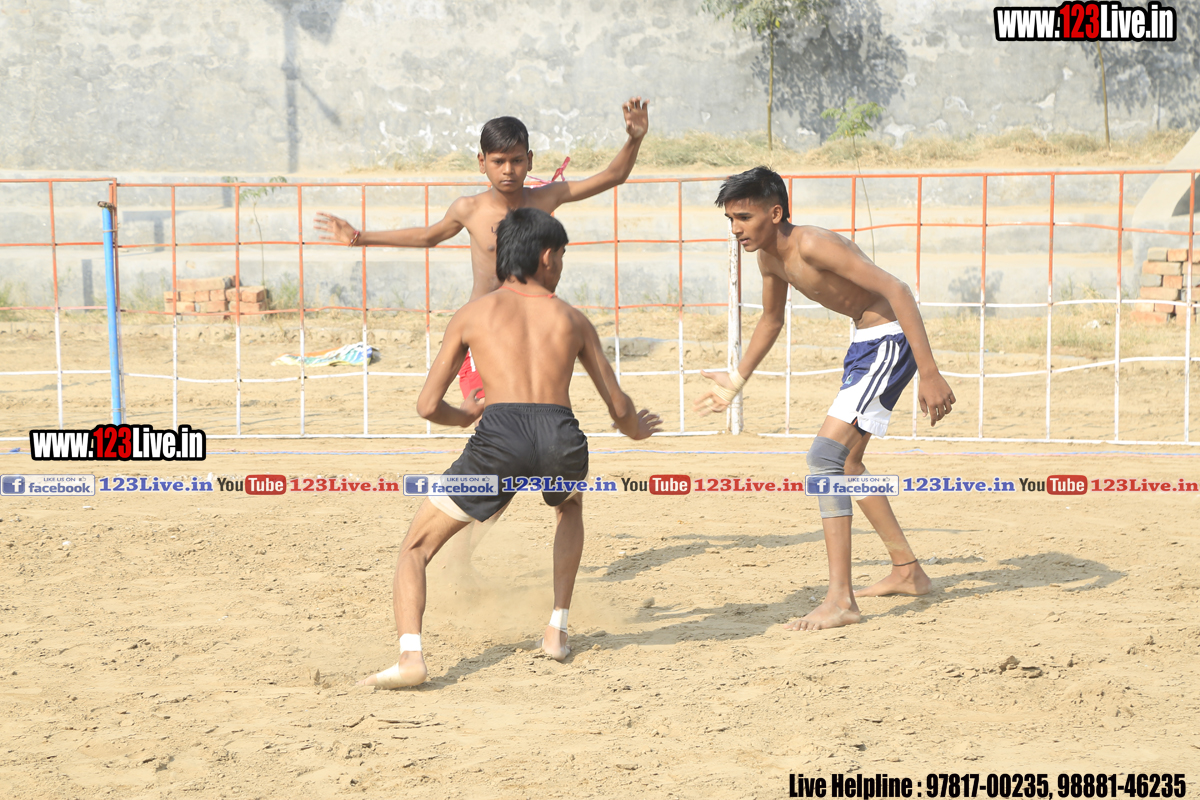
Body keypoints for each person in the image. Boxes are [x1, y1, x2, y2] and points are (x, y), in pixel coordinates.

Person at [359, 208, 661, 688]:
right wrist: (635, 430)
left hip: (499, 437)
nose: (560, 266)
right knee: (568, 507)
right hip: (560, 435)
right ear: (548, 257)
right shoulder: (573, 319)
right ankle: (557, 630)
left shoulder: (473, 315)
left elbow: (427, 405)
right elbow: (619, 407)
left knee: (415, 549)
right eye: (562, 257)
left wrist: (464, 415)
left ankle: (411, 657)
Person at [696, 166, 956, 631]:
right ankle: (907, 571)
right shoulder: (768, 259)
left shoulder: (813, 244)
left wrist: (930, 372)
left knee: (824, 459)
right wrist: (735, 380)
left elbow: (896, 289)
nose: (735, 229)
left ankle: (840, 600)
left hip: (889, 340)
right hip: (865, 344)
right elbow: (771, 321)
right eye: (730, 219)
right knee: (847, 464)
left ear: (775, 214)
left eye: (743, 217)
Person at [313, 97, 649, 401]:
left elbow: (613, 175)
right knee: (484, 409)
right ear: (481, 162)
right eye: (498, 161)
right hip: (485, 325)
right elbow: (428, 237)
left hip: (532, 326)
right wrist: (359, 237)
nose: (508, 170)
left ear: (530, 161)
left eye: (516, 160)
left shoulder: (547, 198)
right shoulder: (469, 208)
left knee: (533, 402)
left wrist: (634, 139)